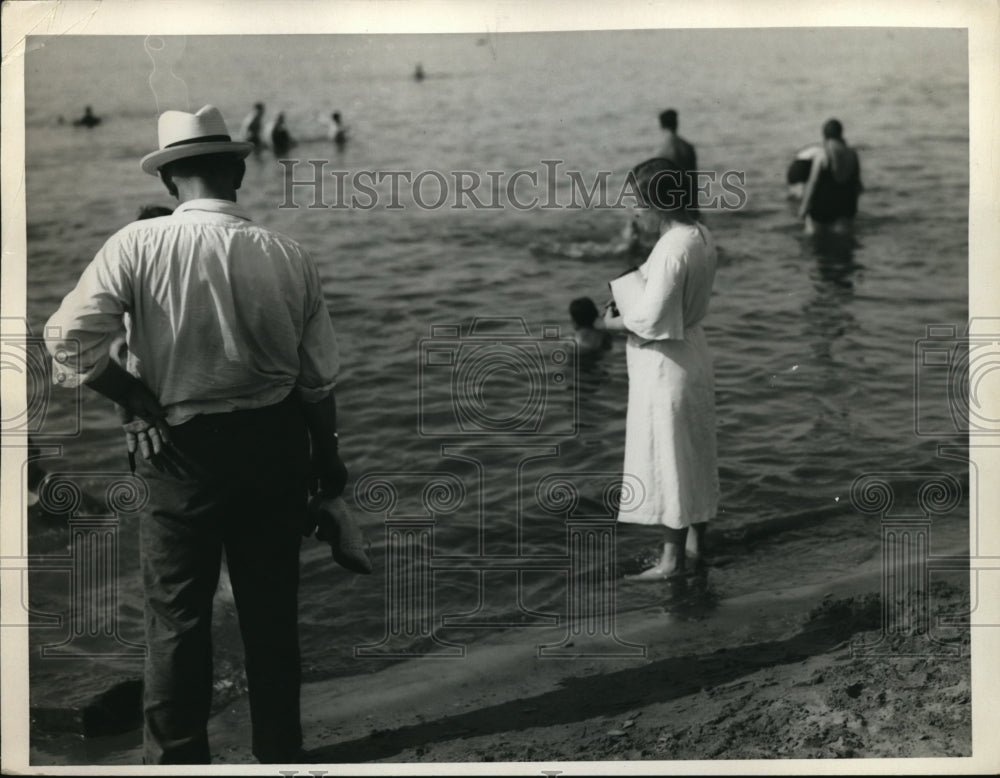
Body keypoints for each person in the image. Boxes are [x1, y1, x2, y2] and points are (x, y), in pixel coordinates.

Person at [44, 104, 357, 764]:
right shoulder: (288, 255)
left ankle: (181, 760)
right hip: (276, 447)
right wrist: (328, 468)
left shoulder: (136, 246)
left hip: (181, 452)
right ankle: (279, 753)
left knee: (177, 622)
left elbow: (66, 343)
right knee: (270, 615)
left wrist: (132, 396)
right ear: (239, 169)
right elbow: (317, 384)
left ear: (167, 184)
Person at [603, 157, 719, 581]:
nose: (634, 212)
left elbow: (651, 319)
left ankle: (670, 562)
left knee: (672, 457)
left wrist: (610, 321)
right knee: (695, 453)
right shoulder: (701, 234)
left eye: (637, 202)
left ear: (658, 203)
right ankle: (696, 546)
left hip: (668, 363)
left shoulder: (671, 247)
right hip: (693, 352)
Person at [797, 118, 863, 235]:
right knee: (844, 244)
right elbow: (858, 186)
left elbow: (813, 183)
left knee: (812, 242)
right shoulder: (853, 155)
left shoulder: (822, 155)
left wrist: (804, 207)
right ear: (841, 133)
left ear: (824, 135)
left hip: (823, 208)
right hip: (846, 207)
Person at [657, 109, 697, 174]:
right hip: (687, 183)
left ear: (662, 126)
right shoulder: (688, 147)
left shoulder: (662, 151)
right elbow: (694, 178)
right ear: (676, 124)